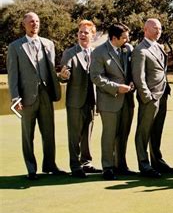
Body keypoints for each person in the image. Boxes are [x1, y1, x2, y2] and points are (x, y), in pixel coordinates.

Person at [7, 12, 66, 180]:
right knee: (28, 135)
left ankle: (50, 165)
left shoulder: (48, 44)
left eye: (37, 21)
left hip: (46, 95)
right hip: (26, 97)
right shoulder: (15, 47)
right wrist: (15, 97)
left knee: (49, 133)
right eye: (31, 22)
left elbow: (51, 69)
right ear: (24, 24)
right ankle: (31, 169)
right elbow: (13, 75)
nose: (35, 24)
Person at [132, 18, 173, 178]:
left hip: (162, 94)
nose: (158, 31)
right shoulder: (140, 50)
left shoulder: (159, 47)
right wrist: (147, 97)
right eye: (154, 29)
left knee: (157, 131)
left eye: (159, 29)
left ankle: (158, 161)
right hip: (150, 98)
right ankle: (144, 165)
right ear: (145, 30)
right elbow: (139, 77)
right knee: (143, 132)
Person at [90, 23, 136, 180]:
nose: (127, 39)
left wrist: (131, 83)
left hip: (127, 101)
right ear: (114, 38)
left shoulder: (128, 49)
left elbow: (130, 71)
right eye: (124, 37)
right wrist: (116, 87)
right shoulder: (99, 52)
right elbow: (96, 77)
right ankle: (108, 167)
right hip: (109, 101)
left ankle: (121, 165)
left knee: (124, 134)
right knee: (109, 135)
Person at [59, 20, 101, 178]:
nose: (82, 35)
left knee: (87, 135)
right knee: (74, 135)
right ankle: (75, 166)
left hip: (92, 101)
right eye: (80, 32)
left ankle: (86, 163)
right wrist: (63, 76)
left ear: (93, 35)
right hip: (75, 101)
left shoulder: (97, 53)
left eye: (86, 32)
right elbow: (65, 72)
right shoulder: (70, 53)